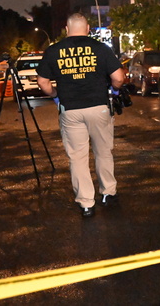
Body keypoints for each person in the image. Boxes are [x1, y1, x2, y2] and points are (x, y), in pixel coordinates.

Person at [37, 13, 124, 218]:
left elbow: (42, 82)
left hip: (71, 110)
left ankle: (86, 203)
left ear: (67, 30)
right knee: (103, 151)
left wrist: (56, 95)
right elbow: (118, 77)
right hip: (99, 108)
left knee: (77, 157)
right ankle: (108, 192)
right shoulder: (101, 49)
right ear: (88, 29)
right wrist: (115, 90)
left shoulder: (53, 51)